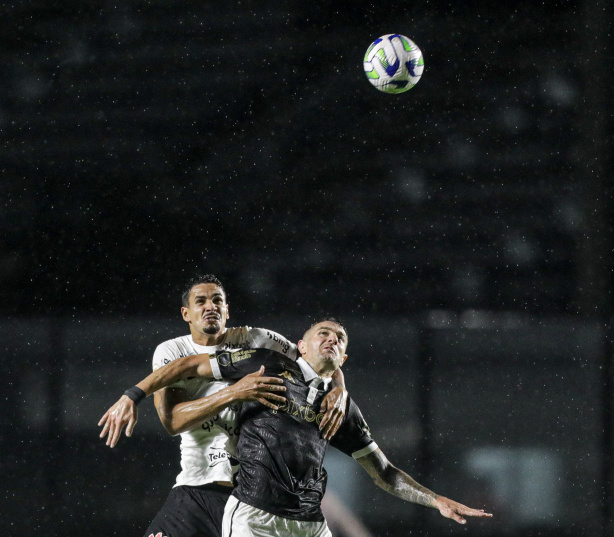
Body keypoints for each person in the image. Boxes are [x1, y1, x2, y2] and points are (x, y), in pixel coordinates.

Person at [101, 318, 493, 537]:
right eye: (322, 332)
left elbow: (385, 473)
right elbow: (188, 366)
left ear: (343, 356)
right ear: (299, 346)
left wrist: (437, 500)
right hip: (255, 516)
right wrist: (132, 395)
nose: (331, 338)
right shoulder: (265, 364)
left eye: (339, 337)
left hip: (311, 525)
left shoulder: (342, 408)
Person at [99, 275, 349, 537]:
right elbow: (171, 421)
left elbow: (316, 359)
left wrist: (340, 388)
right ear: (187, 313)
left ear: (227, 310)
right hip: (197, 485)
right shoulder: (172, 351)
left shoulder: (258, 340)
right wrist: (233, 393)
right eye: (201, 301)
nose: (211, 306)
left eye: (218, 300)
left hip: (252, 495)